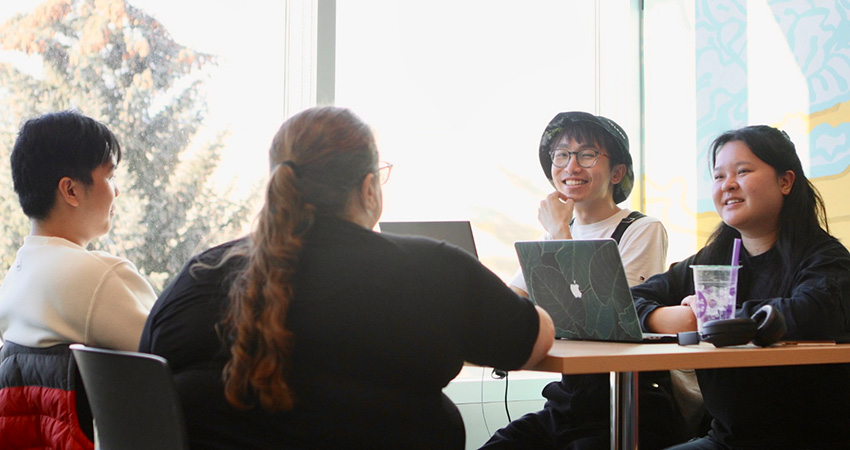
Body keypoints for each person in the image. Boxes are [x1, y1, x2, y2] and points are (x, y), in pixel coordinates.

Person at [138, 106, 555, 450]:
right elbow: (533, 341)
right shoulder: (430, 269)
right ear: (369, 187)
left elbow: (143, 385)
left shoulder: (197, 278)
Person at [632, 125, 850, 449]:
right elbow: (629, 300)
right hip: (726, 440)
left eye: (742, 171)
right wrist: (668, 318)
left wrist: (711, 316)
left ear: (786, 181)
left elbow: (813, 311)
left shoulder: (825, 258)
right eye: (719, 177)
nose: (728, 184)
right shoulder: (713, 260)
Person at [483, 111, 686, 449]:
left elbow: (604, 318)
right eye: (561, 155)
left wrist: (559, 233)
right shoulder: (559, 232)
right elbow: (514, 302)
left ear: (617, 172)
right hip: (567, 402)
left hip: (626, 403)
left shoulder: (640, 229)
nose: (571, 166)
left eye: (586, 155)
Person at [0, 110, 156, 449]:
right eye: (110, 176)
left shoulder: (14, 282)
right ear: (71, 190)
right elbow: (172, 358)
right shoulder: (96, 276)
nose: (117, 192)